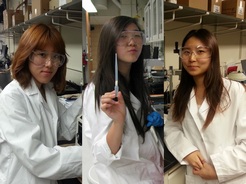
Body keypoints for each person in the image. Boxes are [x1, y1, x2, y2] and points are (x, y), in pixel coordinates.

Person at [82, 16, 164, 183]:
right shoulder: (100, 90)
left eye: (136, 35)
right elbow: (103, 153)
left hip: (146, 172)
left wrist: (156, 119)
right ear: (110, 42)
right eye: (123, 36)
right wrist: (118, 122)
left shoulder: (135, 82)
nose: (132, 42)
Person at [0, 24, 82, 184]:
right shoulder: (12, 97)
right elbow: (38, 159)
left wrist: (87, 98)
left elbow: (62, 129)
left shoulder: (47, 89)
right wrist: (91, 155)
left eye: (56, 56)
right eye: (42, 55)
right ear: (26, 55)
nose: (50, 64)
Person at [164, 28, 246, 183]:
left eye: (200, 51)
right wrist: (187, 151)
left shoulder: (234, 91)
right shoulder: (181, 93)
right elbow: (172, 128)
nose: (192, 58)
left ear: (212, 55)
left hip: (230, 177)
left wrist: (217, 169)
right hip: (197, 177)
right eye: (186, 52)